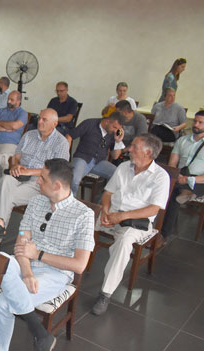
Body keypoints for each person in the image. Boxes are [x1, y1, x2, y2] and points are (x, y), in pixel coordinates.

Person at [0, 159, 95, 351]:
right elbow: (21, 243)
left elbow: (79, 265)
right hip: (26, 266)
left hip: (56, 273)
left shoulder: (83, 215)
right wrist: (27, 271)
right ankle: (40, 333)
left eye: (42, 178)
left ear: (58, 186)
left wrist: (39, 255)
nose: (37, 181)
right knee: (3, 258)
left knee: (3, 301)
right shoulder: (36, 202)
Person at [91, 134, 170, 316]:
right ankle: (66, 272)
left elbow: (153, 209)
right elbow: (108, 193)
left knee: (124, 242)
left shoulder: (161, 177)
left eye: (134, 147)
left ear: (148, 152)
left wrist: (122, 216)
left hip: (136, 222)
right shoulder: (124, 167)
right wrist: (105, 211)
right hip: (112, 213)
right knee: (81, 223)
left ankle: (105, 293)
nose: (129, 149)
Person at [0, 109, 69, 250]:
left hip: (40, 182)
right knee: (4, 181)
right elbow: (16, 156)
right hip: (19, 174)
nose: (39, 121)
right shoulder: (29, 135)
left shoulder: (61, 143)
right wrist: (16, 165)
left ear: (54, 124)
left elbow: (57, 171)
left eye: (44, 119)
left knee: (5, 195)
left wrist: (30, 171)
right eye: (39, 118)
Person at [161, 111, 204, 242]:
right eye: (195, 121)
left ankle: (164, 234)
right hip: (180, 175)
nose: (196, 124)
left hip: (200, 180)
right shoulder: (182, 140)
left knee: (173, 194)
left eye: (200, 122)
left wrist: (190, 179)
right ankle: (186, 192)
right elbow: (172, 163)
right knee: (166, 190)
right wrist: (177, 175)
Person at [66, 112, 125, 195]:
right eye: (114, 127)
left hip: (99, 162)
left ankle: (102, 200)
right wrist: (66, 155)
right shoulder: (89, 123)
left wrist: (118, 141)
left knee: (118, 175)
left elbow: (115, 156)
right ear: (107, 121)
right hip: (83, 158)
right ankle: (69, 200)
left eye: (118, 129)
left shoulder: (113, 134)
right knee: (74, 180)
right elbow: (69, 135)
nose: (115, 131)